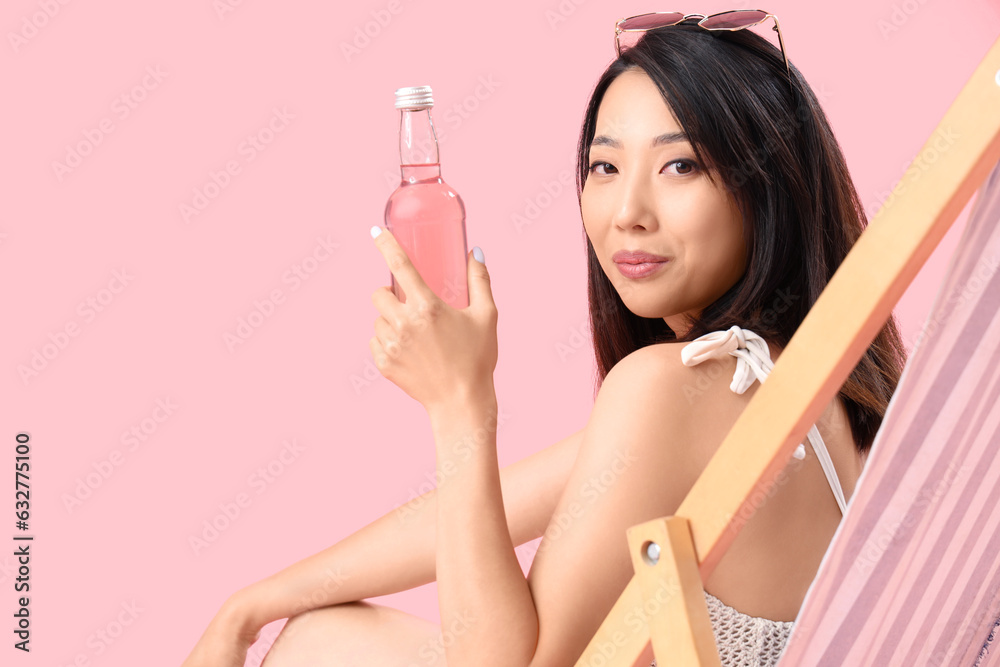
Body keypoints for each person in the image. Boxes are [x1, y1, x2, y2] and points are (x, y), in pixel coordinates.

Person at [180, 11, 907, 667]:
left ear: (769, 184)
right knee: (320, 631)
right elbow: (484, 505)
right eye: (605, 166)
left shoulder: (673, 388)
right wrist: (252, 603)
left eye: (680, 165)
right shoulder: (795, 382)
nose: (627, 212)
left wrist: (460, 403)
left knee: (321, 646)